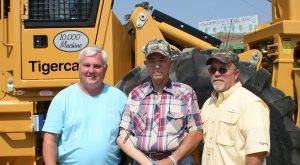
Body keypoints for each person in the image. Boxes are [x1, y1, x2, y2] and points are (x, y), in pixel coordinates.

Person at [117, 39, 203, 165]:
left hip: (177, 161)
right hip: (141, 161)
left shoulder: (185, 93)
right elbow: (122, 136)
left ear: (171, 63)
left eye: (162, 60)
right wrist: (146, 162)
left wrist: (171, 160)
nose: (157, 66)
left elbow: (196, 133)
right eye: (152, 61)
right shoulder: (135, 94)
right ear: (146, 64)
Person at [42, 45, 127, 165]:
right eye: (87, 65)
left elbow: (130, 139)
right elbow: (50, 139)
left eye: (97, 66)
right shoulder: (62, 98)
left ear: (105, 68)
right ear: (79, 67)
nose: (91, 70)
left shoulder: (120, 99)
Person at [201, 50, 270, 165]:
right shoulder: (208, 104)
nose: (217, 74)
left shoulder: (252, 105)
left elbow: (256, 155)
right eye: (213, 70)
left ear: (236, 73)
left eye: (223, 69)